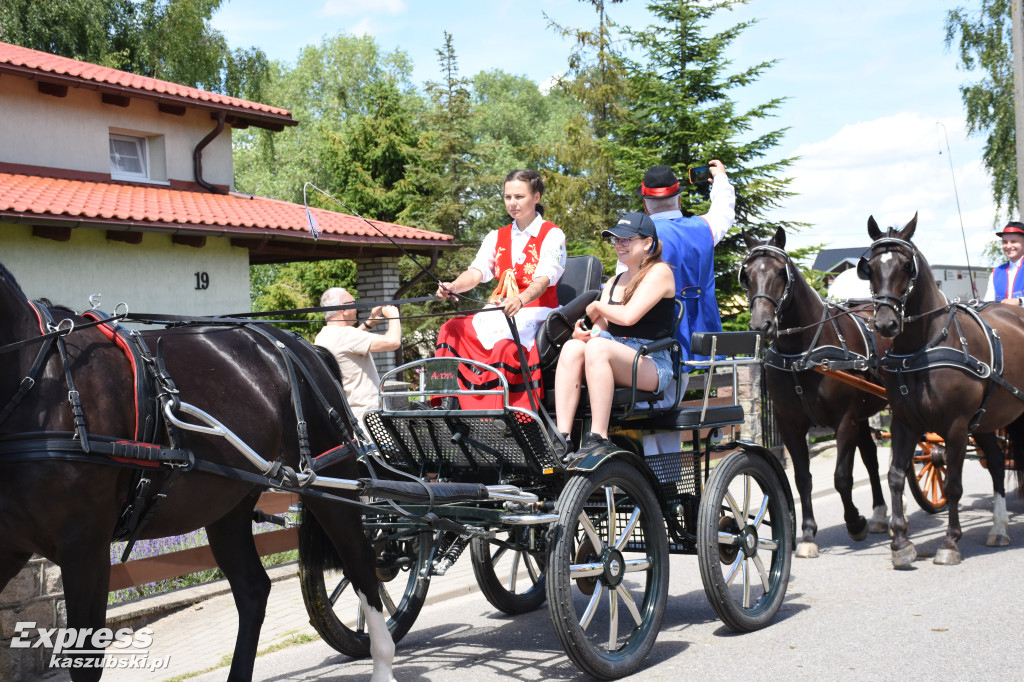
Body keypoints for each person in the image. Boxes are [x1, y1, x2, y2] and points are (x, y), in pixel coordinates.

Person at [435, 170, 567, 410]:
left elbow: (545, 278)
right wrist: (453, 285)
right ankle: (446, 401)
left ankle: (499, 412)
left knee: (504, 346)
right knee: (450, 328)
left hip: (534, 310)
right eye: (508, 197)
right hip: (500, 309)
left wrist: (520, 299)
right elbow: (477, 272)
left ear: (536, 197)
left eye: (519, 196)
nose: (512, 203)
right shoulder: (497, 236)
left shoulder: (552, 234)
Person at [554, 212, 676, 453]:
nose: (619, 245)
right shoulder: (614, 281)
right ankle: (562, 438)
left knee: (598, 348)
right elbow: (601, 330)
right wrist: (582, 335)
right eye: (616, 240)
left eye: (626, 240)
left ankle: (598, 436)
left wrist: (597, 306)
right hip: (615, 352)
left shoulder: (660, 272)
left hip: (652, 360)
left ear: (647, 243)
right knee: (573, 347)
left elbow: (629, 316)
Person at [638, 160, 735, 383]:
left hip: (654, 348)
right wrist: (720, 178)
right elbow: (724, 209)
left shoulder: (639, 240)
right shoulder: (705, 228)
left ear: (645, 205)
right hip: (700, 339)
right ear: (679, 200)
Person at [314, 287, 401, 423]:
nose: (356, 307)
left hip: (351, 416)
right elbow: (393, 342)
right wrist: (393, 316)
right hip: (369, 418)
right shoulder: (347, 335)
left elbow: (349, 343)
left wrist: (370, 322)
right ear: (344, 309)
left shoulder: (323, 336)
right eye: (353, 302)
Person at [983, 221, 1024, 306]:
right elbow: (988, 303)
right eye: (1005, 242)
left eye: (1013, 241)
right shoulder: (996, 272)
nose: (1008, 246)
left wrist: (1019, 301)